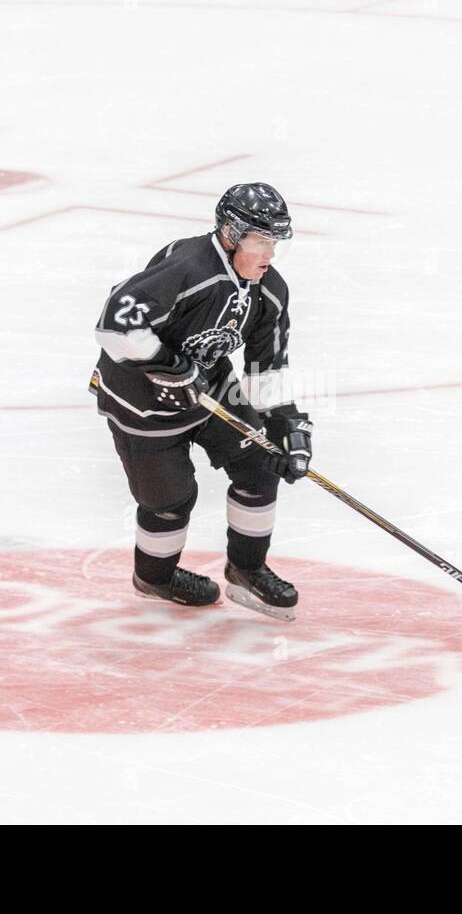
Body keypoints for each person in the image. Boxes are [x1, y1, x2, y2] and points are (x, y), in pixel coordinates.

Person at [89, 182, 313, 621]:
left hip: (208, 386)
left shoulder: (269, 291)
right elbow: (115, 322)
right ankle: (154, 577)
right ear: (230, 235)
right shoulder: (190, 266)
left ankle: (246, 570)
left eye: (273, 243)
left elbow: (266, 365)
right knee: (170, 501)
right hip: (139, 400)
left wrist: (287, 425)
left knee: (259, 466)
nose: (269, 254)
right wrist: (168, 365)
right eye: (259, 241)